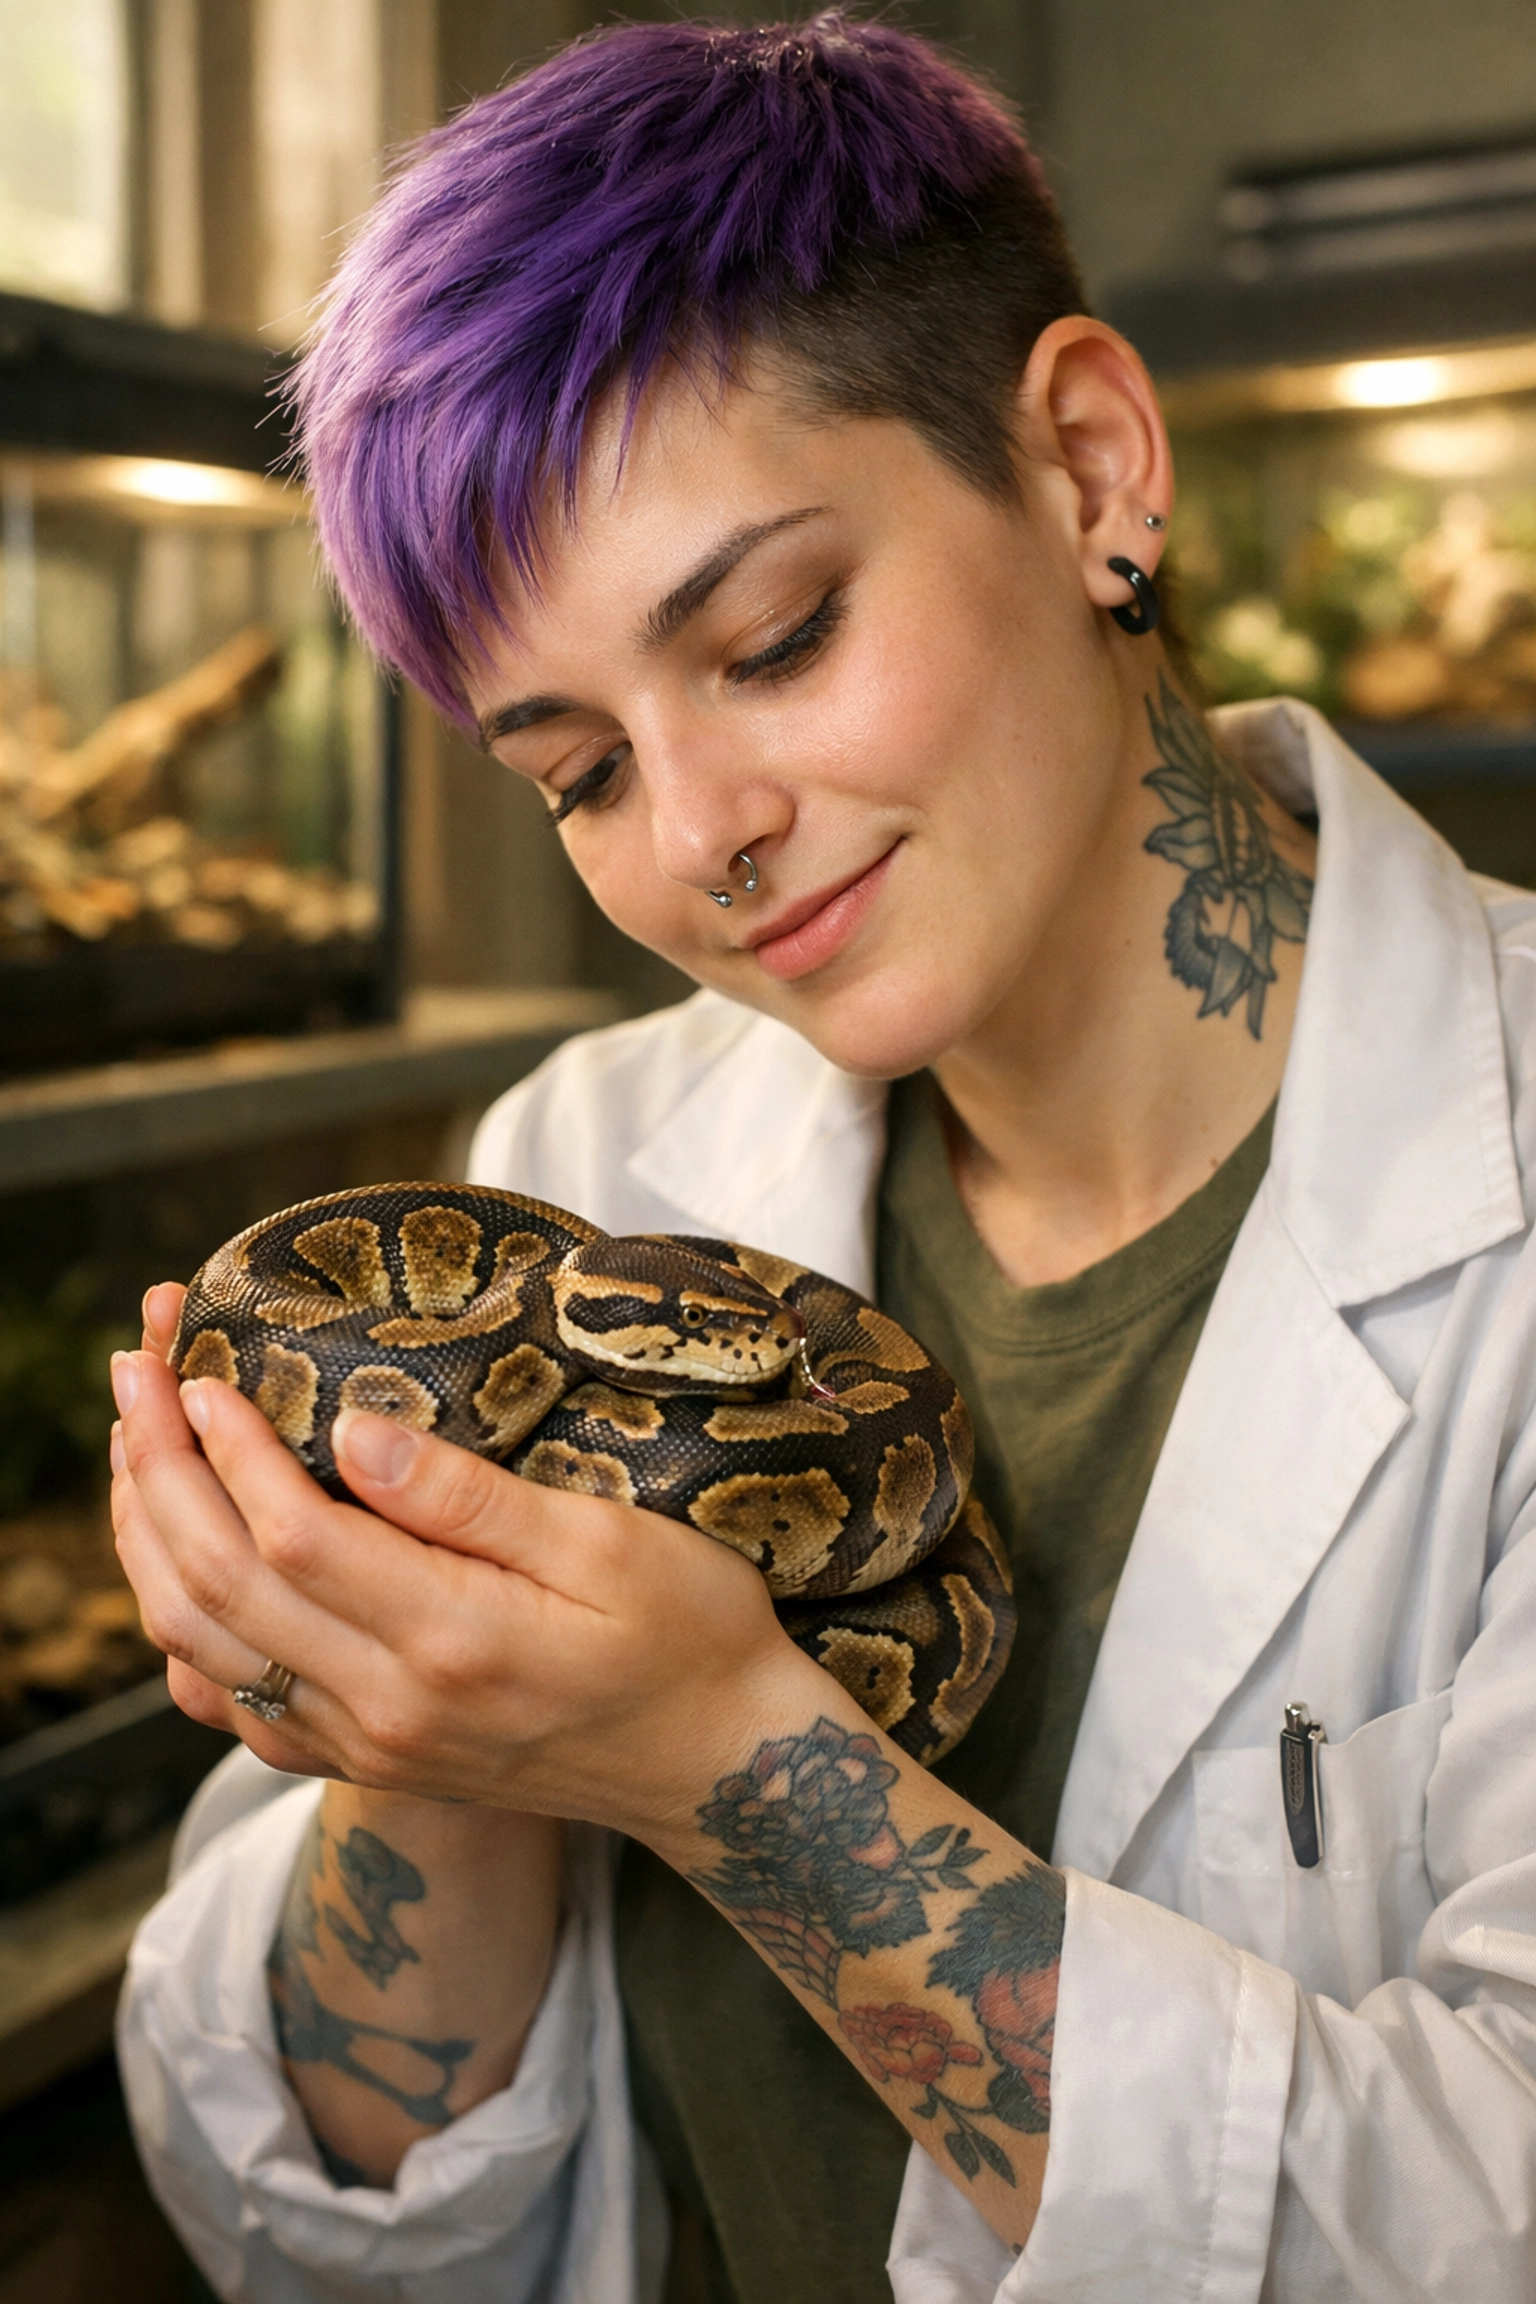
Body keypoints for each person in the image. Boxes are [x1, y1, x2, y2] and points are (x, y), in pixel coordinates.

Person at [110, 16, 1536, 2303]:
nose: (698, 843)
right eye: (573, 773)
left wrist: (711, 1757)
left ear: (1088, 467)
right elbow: (328, 2218)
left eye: (774, 640)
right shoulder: (580, 1167)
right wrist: (419, 1720)